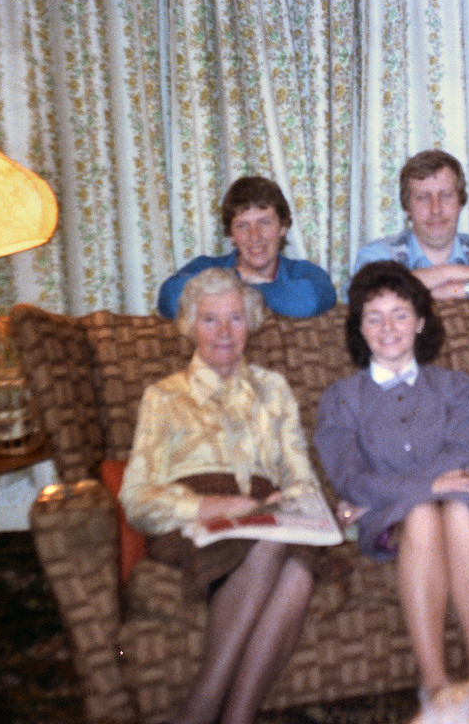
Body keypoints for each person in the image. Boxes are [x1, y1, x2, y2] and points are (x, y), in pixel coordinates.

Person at [314, 261, 469, 700]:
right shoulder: (341, 399)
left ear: (421, 322)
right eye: (374, 317)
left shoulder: (457, 387)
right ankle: (436, 685)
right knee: (424, 515)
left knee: (460, 512)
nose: (388, 327)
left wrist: (418, 487)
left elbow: (464, 457)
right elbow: (351, 479)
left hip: (466, 502)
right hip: (394, 517)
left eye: (400, 314)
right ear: (360, 329)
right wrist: (429, 488)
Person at [121, 268, 321, 724]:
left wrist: (300, 505)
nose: (224, 332)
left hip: (266, 514)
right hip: (196, 523)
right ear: (190, 326)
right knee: (274, 544)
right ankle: (202, 707)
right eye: (210, 319)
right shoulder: (164, 396)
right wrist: (212, 506)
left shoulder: (274, 388)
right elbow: (135, 499)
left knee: (300, 573)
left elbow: (300, 476)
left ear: (250, 324)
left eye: (235, 318)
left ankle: (237, 717)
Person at [352, 149, 469, 302]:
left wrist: (458, 289)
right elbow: (367, 293)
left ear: (460, 202)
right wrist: (449, 272)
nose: (436, 209)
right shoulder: (380, 254)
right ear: (407, 207)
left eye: (445, 196)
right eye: (423, 198)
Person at [158, 176, 336, 319]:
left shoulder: (302, 272)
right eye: (242, 226)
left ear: (283, 227)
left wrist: (257, 285)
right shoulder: (206, 267)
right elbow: (169, 299)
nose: (254, 236)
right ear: (231, 234)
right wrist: (236, 277)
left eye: (264, 222)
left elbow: (310, 301)